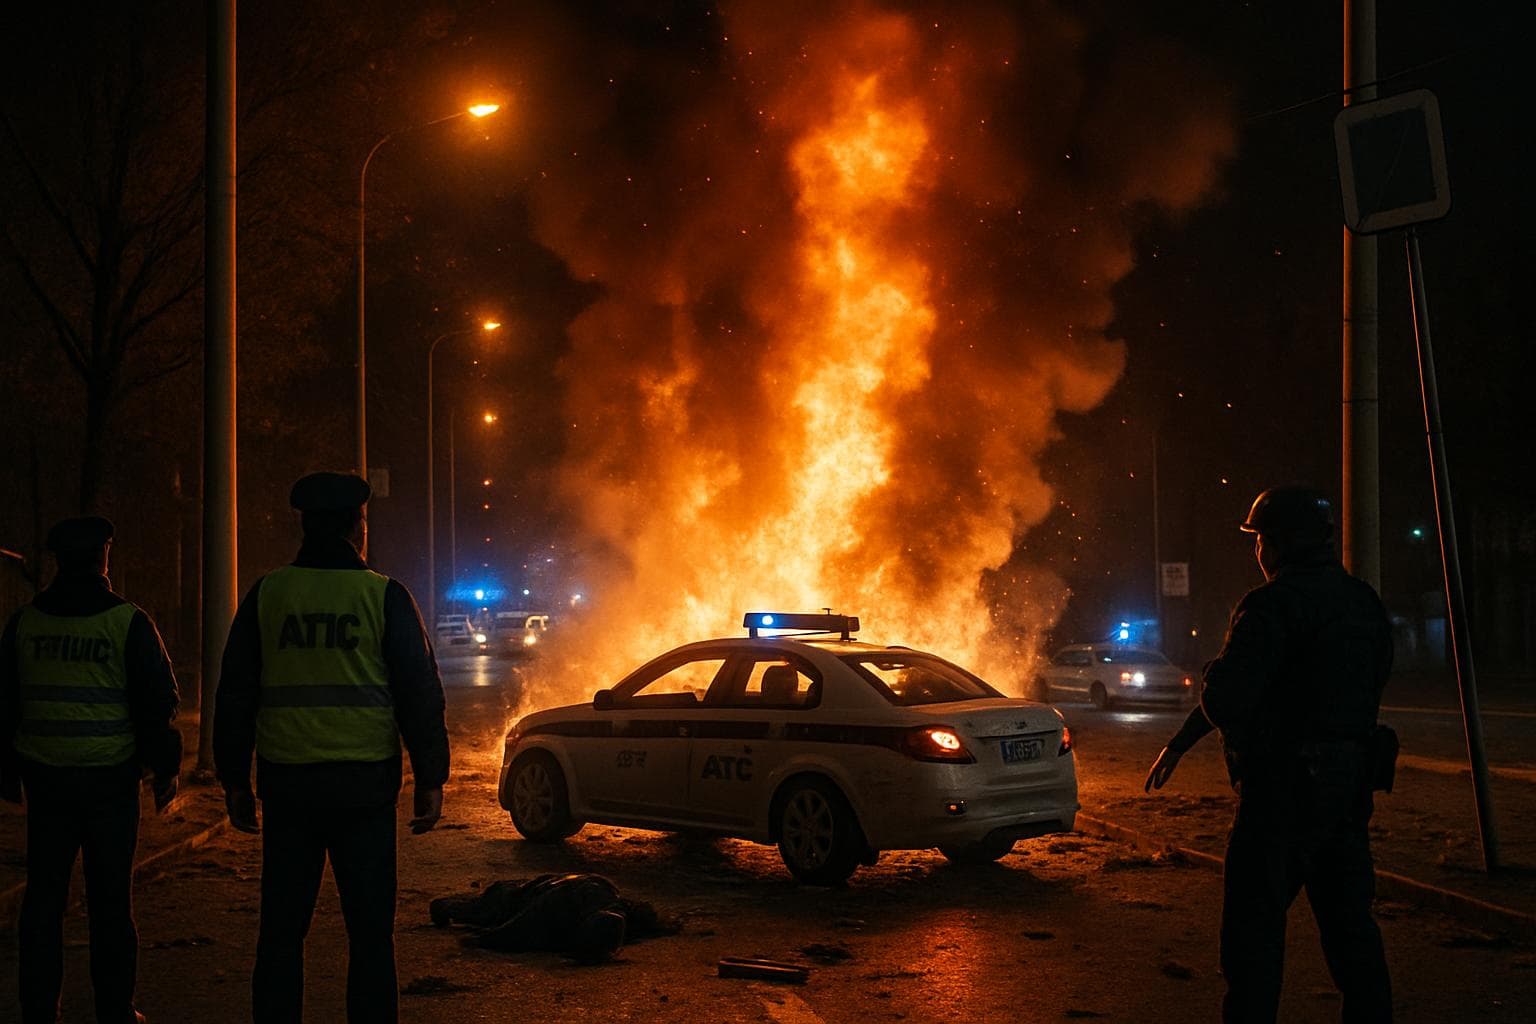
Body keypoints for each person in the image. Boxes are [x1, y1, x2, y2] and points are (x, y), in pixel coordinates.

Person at [1144, 486, 1394, 1023]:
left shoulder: (1271, 605)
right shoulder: (1363, 602)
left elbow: (1229, 699)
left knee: (1252, 942)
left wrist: (1212, 673)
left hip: (1279, 802)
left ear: (1277, 545)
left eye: (1260, 540)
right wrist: (1181, 741)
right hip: (1346, 799)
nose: (1257, 552)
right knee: (1354, 940)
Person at [214, 472, 449, 1023]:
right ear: (356, 527)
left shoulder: (268, 594)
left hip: (289, 788)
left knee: (280, 935)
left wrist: (233, 780)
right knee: (370, 937)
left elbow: (236, 692)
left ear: (306, 526)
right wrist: (431, 777)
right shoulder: (383, 595)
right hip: (363, 792)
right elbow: (419, 691)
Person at [0, 516, 181, 1024]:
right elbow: (158, 705)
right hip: (109, 783)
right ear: (105, 556)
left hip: (46, 782)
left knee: (42, 901)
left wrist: (8, 771)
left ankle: (39, 1008)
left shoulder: (26, 623)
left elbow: (4, 703)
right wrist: (164, 771)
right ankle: (115, 1009)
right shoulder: (127, 622)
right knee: (111, 905)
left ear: (59, 560)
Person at [429, 873, 678, 963]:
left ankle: (448, 907)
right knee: (480, 912)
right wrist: (482, 941)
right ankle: (443, 907)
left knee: (483, 910)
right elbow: (517, 928)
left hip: (541, 888)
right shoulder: (560, 908)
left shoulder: (614, 908)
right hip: (516, 896)